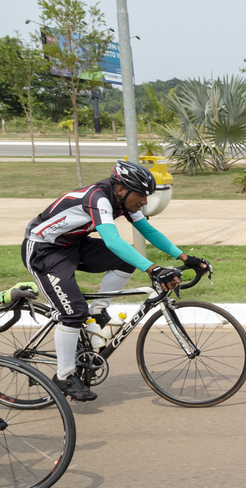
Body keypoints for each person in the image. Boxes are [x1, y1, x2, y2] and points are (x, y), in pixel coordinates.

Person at [22, 161, 206, 401]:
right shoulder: (98, 199)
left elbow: (147, 230)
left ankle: (97, 311)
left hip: (73, 245)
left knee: (126, 260)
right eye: (141, 195)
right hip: (45, 251)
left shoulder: (123, 200)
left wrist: (184, 257)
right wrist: (153, 269)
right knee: (73, 312)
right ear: (121, 189)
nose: (145, 201)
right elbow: (112, 241)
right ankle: (64, 376)